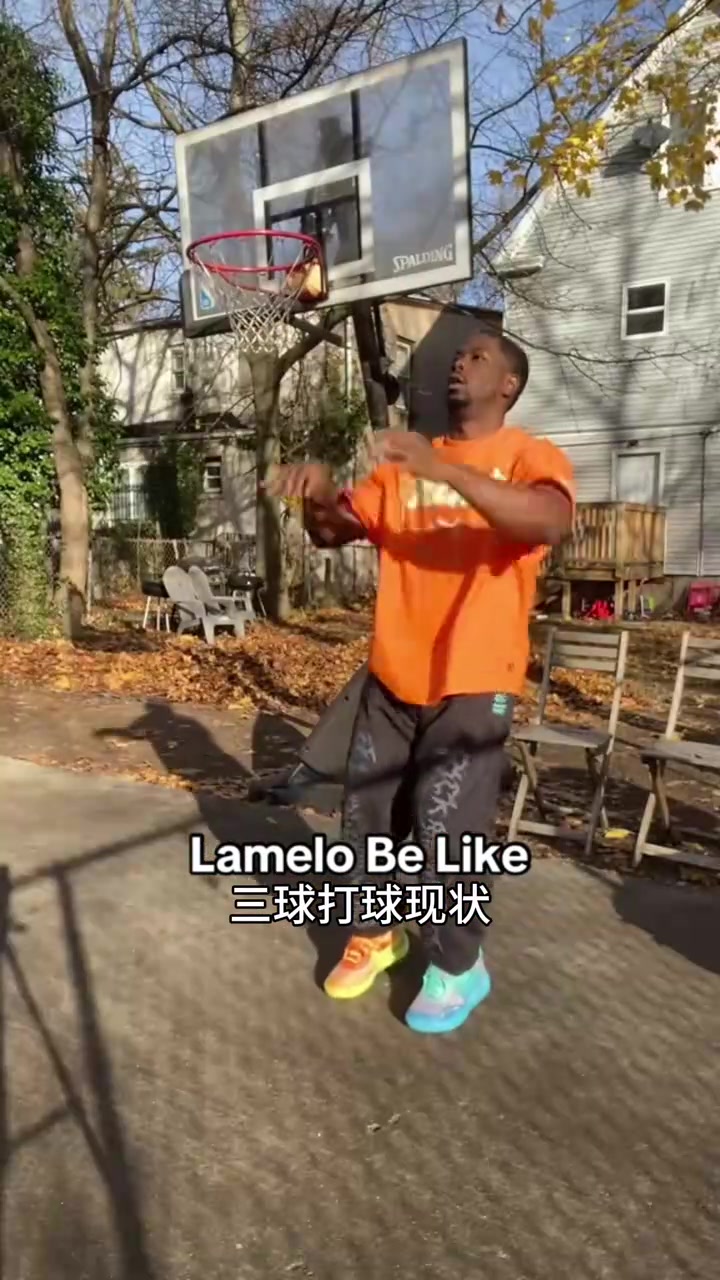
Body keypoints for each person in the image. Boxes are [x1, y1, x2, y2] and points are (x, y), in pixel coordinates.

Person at [266, 327, 575, 1034]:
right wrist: (318, 494)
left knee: (446, 826)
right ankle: (377, 935)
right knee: (366, 817)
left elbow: (550, 522)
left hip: (475, 675)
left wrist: (448, 473)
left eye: (479, 357)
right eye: (459, 355)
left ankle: (459, 965)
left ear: (508, 385)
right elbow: (334, 530)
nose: (461, 362)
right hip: (393, 675)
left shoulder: (528, 456)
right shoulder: (407, 465)